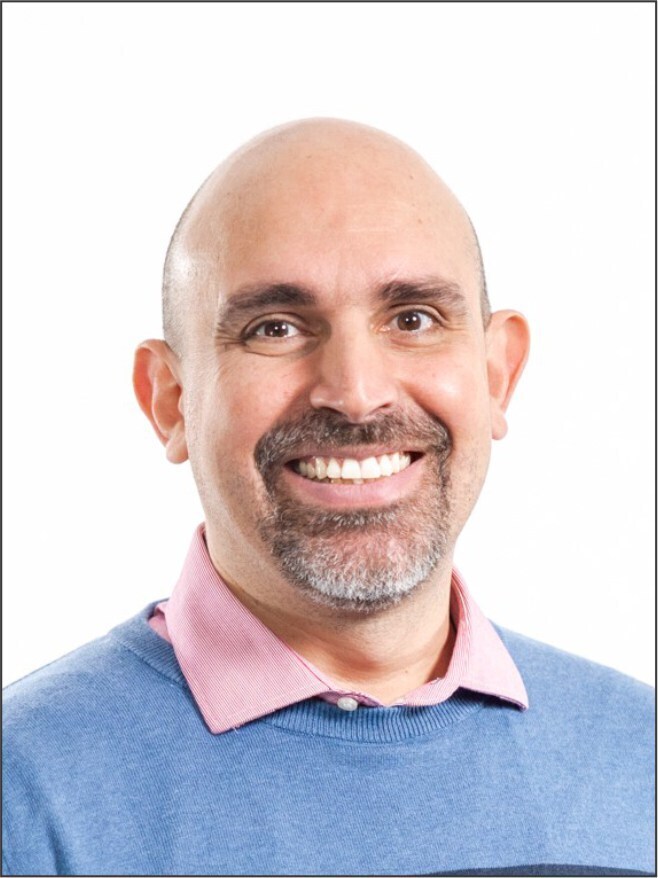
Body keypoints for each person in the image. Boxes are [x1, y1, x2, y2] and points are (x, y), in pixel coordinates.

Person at [2, 119, 653, 878]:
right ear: (170, 399)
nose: (356, 393)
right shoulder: (26, 797)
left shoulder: (641, 761)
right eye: (275, 328)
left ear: (497, 375)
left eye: (413, 319)